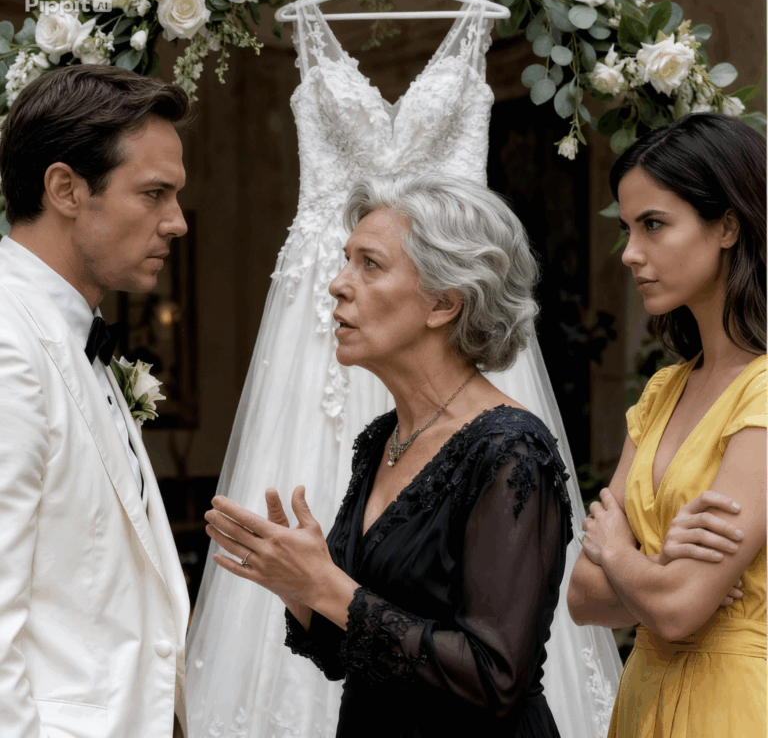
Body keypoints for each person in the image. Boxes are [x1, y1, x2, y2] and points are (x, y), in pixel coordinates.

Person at [204, 174, 575, 737]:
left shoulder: (511, 450)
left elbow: (494, 678)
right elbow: (347, 650)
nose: (337, 284)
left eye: (369, 265)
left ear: (443, 303)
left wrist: (326, 585)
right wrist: (298, 584)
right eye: (345, 261)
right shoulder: (384, 439)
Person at [0, 65, 191, 737]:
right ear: (65, 190)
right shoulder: (8, 345)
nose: (177, 223)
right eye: (154, 194)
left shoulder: (74, 334)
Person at [567, 113, 766, 737]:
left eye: (653, 224)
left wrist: (619, 554)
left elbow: (677, 610)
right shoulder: (663, 391)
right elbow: (580, 598)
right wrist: (660, 570)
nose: (631, 253)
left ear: (727, 225)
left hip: (732, 708)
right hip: (642, 702)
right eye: (627, 229)